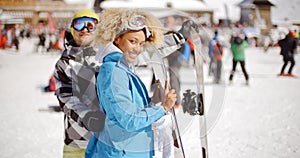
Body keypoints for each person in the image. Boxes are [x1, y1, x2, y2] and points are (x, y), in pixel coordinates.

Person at [85, 8, 178, 158]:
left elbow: (129, 109)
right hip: (121, 152)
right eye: (132, 41)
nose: (138, 49)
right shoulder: (114, 71)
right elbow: (129, 119)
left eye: (141, 43)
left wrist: (154, 103)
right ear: (116, 38)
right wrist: (163, 108)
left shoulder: (123, 67)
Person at [53, 10, 106, 158]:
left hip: (107, 138)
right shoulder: (64, 63)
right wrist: (87, 117)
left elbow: (140, 49)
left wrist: (176, 38)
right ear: (72, 29)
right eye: (79, 24)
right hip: (78, 140)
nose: (85, 29)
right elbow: (66, 98)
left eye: (91, 25)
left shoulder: (107, 56)